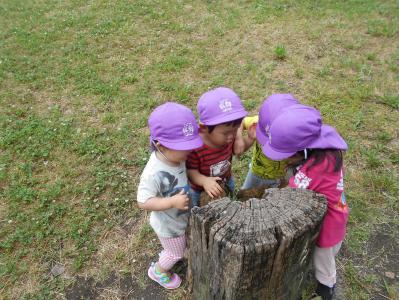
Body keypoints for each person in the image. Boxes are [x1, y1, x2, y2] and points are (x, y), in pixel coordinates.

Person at [260, 104, 349, 300]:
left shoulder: (317, 168)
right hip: (338, 212)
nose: (285, 160)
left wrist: (270, 196)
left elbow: (291, 191)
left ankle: (326, 290)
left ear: (304, 151)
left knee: (323, 260)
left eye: (287, 155)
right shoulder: (325, 149)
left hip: (330, 224)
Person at [136, 102, 203, 289]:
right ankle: (158, 271)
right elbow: (143, 201)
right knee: (175, 253)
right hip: (169, 226)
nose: (190, 150)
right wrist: (171, 201)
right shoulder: (153, 173)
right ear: (160, 146)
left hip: (179, 218)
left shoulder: (176, 156)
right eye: (184, 146)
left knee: (182, 244)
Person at [186, 87, 248, 206]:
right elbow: (190, 171)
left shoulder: (229, 135)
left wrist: (241, 137)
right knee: (198, 209)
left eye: (235, 130)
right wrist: (204, 181)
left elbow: (238, 150)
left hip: (226, 180)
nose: (231, 137)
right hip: (201, 189)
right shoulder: (196, 147)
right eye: (226, 133)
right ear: (204, 128)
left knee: (229, 200)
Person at [235, 94, 299, 189]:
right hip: (257, 172)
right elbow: (241, 121)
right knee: (245, 194)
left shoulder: (296, 133)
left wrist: (295, 160)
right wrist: (239, 139)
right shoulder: (258, 122)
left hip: (282, 176)